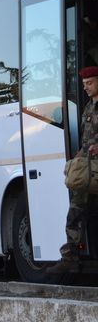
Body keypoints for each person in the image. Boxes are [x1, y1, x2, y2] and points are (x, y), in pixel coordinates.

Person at [47, 66, 98, 274]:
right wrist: (75, 160)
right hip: (88, 171)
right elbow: (86, 141)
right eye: (84, 84)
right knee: (76, 211)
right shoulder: (88, 107)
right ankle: (70, 259)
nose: (86, 87)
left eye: (90, 83)